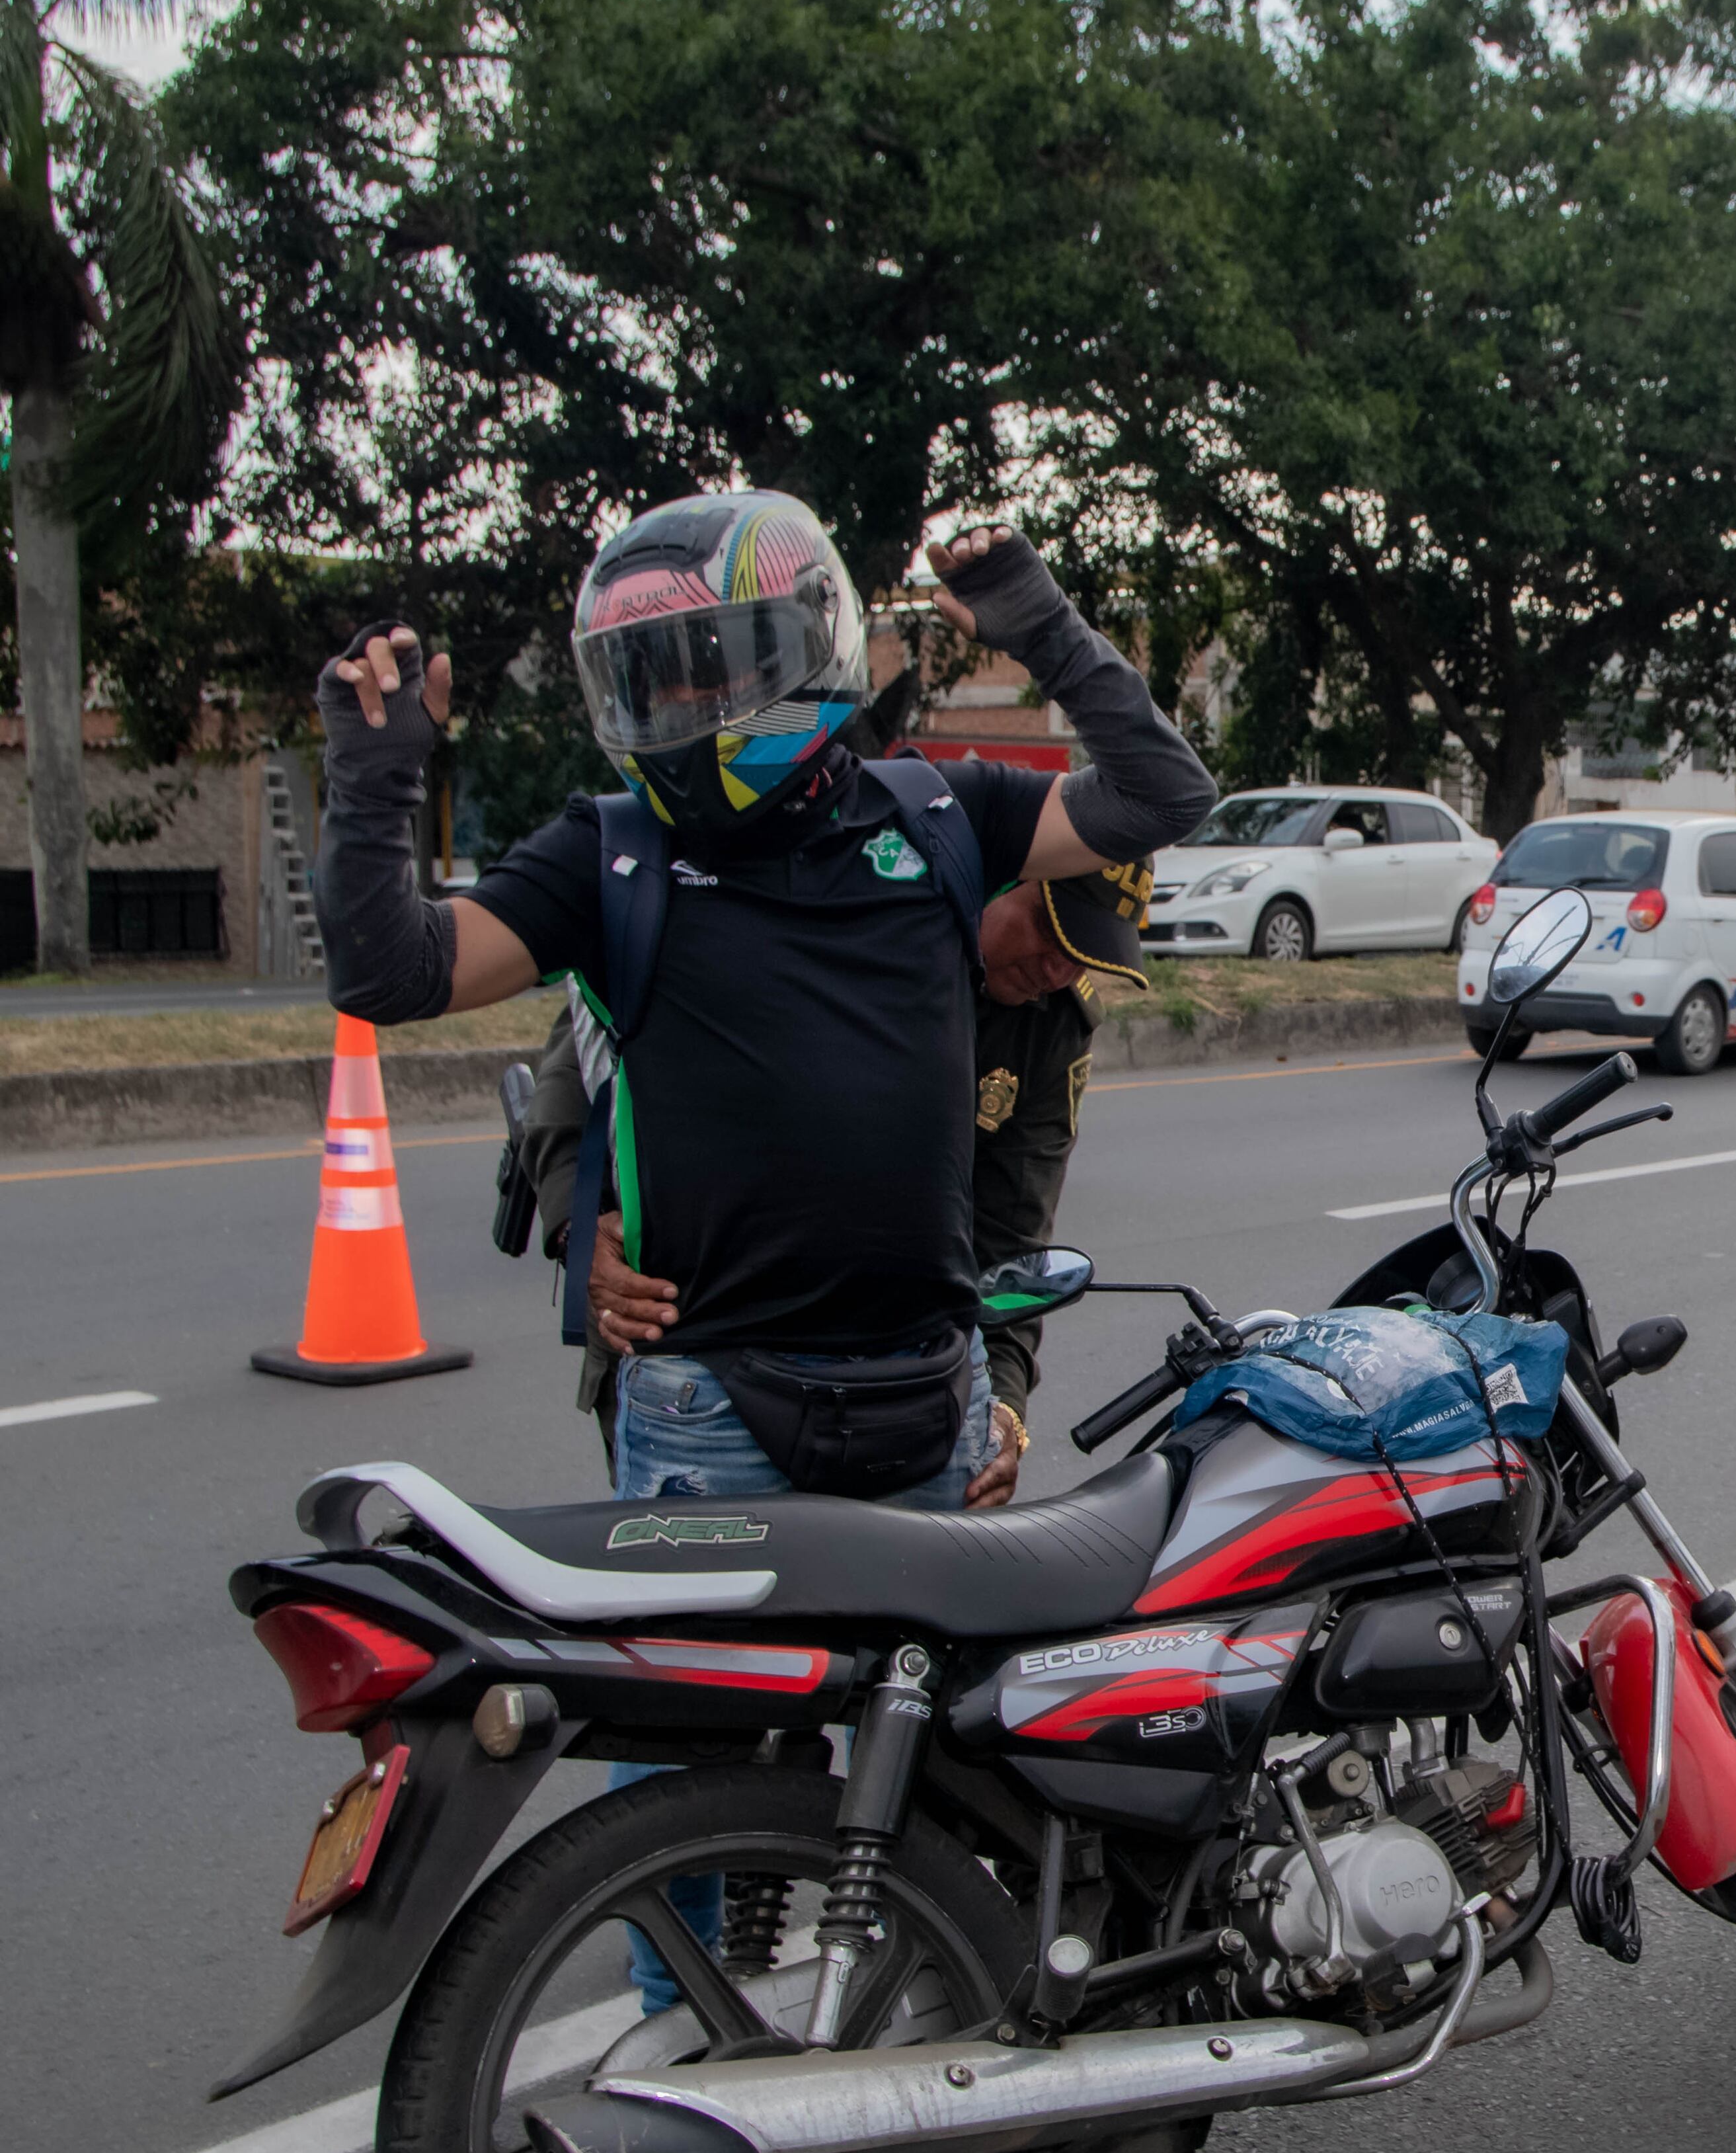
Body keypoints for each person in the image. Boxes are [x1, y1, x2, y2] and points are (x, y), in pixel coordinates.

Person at [312, 492, 1216, 1512]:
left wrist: (1043, 627)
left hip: (928, 1396)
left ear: (801, 642)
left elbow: (1162, 794)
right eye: (655, 672)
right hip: (711, 1410)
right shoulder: (609, 852)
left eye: (715, 660)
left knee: (931, 1678)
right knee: (720, 1680)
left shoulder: (934, 814)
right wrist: (372, 784)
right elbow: (392, 970)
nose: (686, 699)